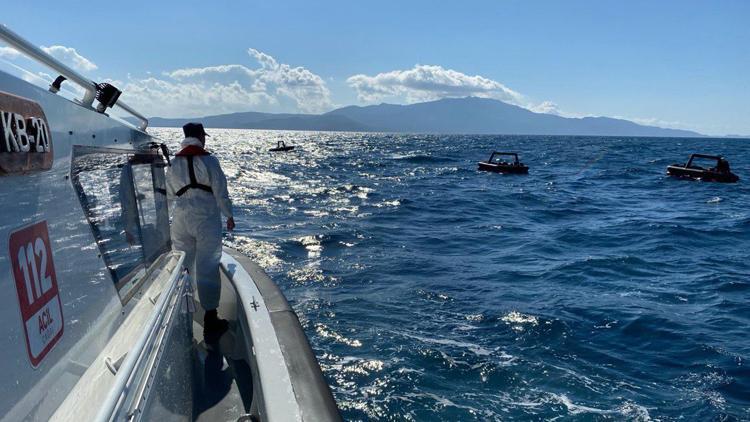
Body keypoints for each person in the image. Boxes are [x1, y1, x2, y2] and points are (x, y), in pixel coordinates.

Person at [167, 123, 235, 341]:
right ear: (199, 137)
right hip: (205, 219)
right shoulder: (210, 161)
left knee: (182, 267)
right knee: (207, 266)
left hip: (180, 218)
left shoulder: (174, 162)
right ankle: (210, 320)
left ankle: (180, 316)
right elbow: (221, 191)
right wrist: (229, 215)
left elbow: (168, 194)